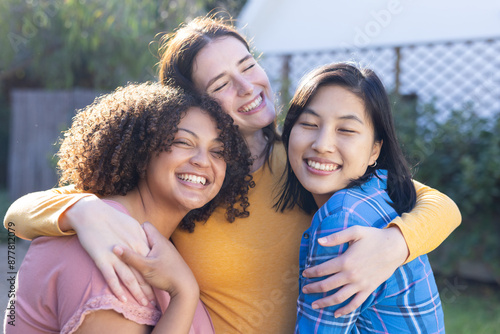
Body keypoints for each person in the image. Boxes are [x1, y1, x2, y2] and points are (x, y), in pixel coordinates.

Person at [4, 16, 460, 333]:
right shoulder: (188, 180)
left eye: (248, 66)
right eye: (221, 84)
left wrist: (393, 245)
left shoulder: (306, 160)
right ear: (194, 103)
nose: (247, 87)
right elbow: (20, 215)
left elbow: (439, 206)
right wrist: (80, 209)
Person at [4, 82, 253, 334]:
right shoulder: (106, 248)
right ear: (142, 151)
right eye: (183, 142)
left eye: (218, 151)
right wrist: (185, 293)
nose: (202, 160)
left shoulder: (149, 238)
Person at [278, 62, 444, 332]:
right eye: (309, 123)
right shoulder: (381, 187)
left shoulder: (344, 220)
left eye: (346, 130)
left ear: (374, 151)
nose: (322, 144)